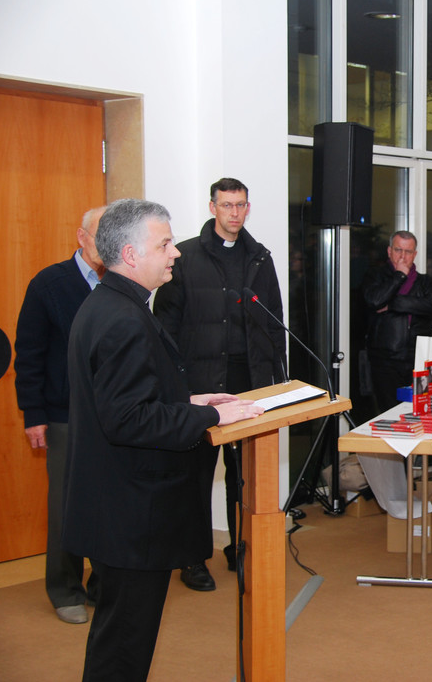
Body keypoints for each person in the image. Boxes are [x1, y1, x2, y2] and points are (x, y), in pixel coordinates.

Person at [63, 198, 262, 682]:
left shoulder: (113, 304)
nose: (175, 253)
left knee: (118, 641)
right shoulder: (122, 318)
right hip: (131, 515)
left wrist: (191, 400)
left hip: (119, 508)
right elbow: (129, 420)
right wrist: (209, 416)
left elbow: (126, 396)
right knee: (122, 651)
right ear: (131, 254)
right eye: (165, 244)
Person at [153, 177, 286, 590]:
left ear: (248, 208)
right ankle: (192, 558)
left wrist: (279, 380)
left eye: (241, 205)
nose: (234, 212)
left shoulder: (260, 257)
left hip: (249, 381)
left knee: (242, 475)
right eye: (227, 205)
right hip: (201, 383)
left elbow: (274, 321)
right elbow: (164, 328)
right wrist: (174, 387)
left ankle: (239, 548)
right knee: (195, 475)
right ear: (212, 207)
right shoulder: (185, 257)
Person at [13, 206, 106, 625]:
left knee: (109, 503)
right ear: (81, 237)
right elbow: (29, 354)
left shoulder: (123, 282)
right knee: (66, 505)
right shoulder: (49, 284)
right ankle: (65, 589)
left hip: (113, 414)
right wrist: (34, 414)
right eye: (100, 234)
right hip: (64, 414)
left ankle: (102, 586)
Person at [362, 231, 432, 411]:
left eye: (408, 251)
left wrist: (392, 304)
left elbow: (431, 306)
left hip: (418, 359)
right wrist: (399, 276)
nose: (403, 256)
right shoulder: (375, 276)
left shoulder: (426, 282)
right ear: (389, 251)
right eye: (398, 250)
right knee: (389, 413)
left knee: (418, 412)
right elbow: (375, 300)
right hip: (385, 360)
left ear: (415, 254)